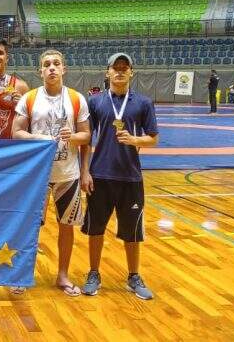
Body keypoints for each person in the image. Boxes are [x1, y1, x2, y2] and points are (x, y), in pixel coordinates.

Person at [11, 49, 90, 297]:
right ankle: (23, 275)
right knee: (30, 226)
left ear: (64, 69)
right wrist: (39, 138)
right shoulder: (30, 98)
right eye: (47, 64)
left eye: (56, 64)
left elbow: (86, 135)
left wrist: (73, 136)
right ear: (40, 71)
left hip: (68, 174)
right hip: (37, 176)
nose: (52, 68)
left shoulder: (77, 99)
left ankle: (63, 275)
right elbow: (16, 132)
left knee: (67, 227)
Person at [80, 53, 158, 301]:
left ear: (131, 72)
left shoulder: (143, 103)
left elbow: (153, 138)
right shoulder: (95, 102)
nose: (120, 71)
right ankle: (93, 273)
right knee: (95, 229)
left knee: (132, 230)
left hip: (131, 177)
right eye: (116, 68)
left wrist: (136, 140)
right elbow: (85, 140)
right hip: (99, 175)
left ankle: (134, 275)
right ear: (107, 72)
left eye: (125, 68)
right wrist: (84, 171)